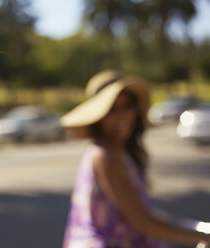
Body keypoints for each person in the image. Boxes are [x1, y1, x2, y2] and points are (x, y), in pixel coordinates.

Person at [60, 70, 210, 248]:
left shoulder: (118, 152)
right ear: (99, 116)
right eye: (113, 109)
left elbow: (138, 212)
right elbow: (143, 223)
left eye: (128, 106)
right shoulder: (107, 155)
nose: (123, 115)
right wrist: (202, 237)